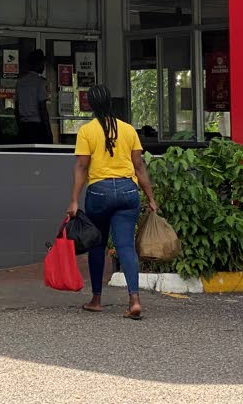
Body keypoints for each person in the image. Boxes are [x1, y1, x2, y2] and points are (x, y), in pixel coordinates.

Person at [65, 83, 157, 319]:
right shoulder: (128, 130)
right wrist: (150, 197)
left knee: (97, 244)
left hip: (99, 193)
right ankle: (134, 300)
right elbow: (139, 166)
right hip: (128, 191)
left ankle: (96, 300)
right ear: (110, 102)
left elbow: (81, 167)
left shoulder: (87, 131)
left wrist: (74, 200)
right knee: (126, 245)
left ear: (91, 105)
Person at [14, 50, 51, 145]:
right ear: (38, 64)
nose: (43, 66)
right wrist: (48, 130)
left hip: (23, 127)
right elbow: (42, 108)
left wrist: (20, 126)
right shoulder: (40, 83)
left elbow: (16, 108)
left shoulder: (20, 82)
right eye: (42, 63)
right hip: (37, 127)